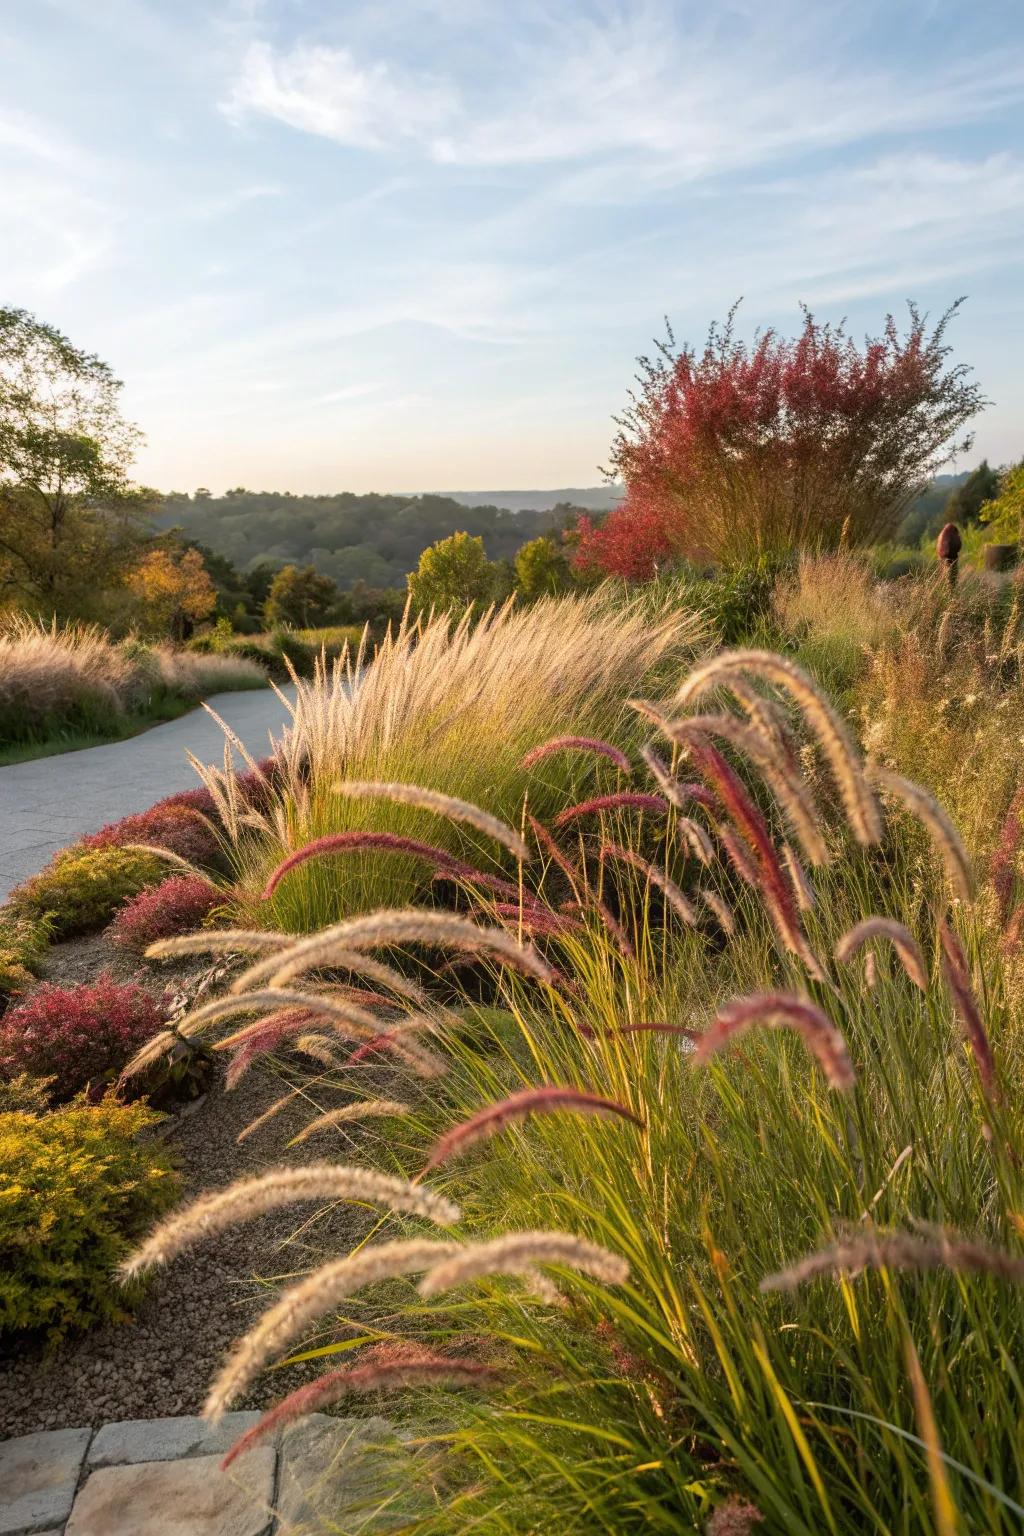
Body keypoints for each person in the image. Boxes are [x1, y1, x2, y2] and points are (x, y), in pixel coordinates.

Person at [936, 521, 962, 586]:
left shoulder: (943, 534)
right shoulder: (951, 534)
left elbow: (940, 549)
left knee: (946, 577)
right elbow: (958, 545)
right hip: (951, 559)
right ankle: (951, 588)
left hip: (944, 558)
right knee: (951, 577)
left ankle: (947, 588)